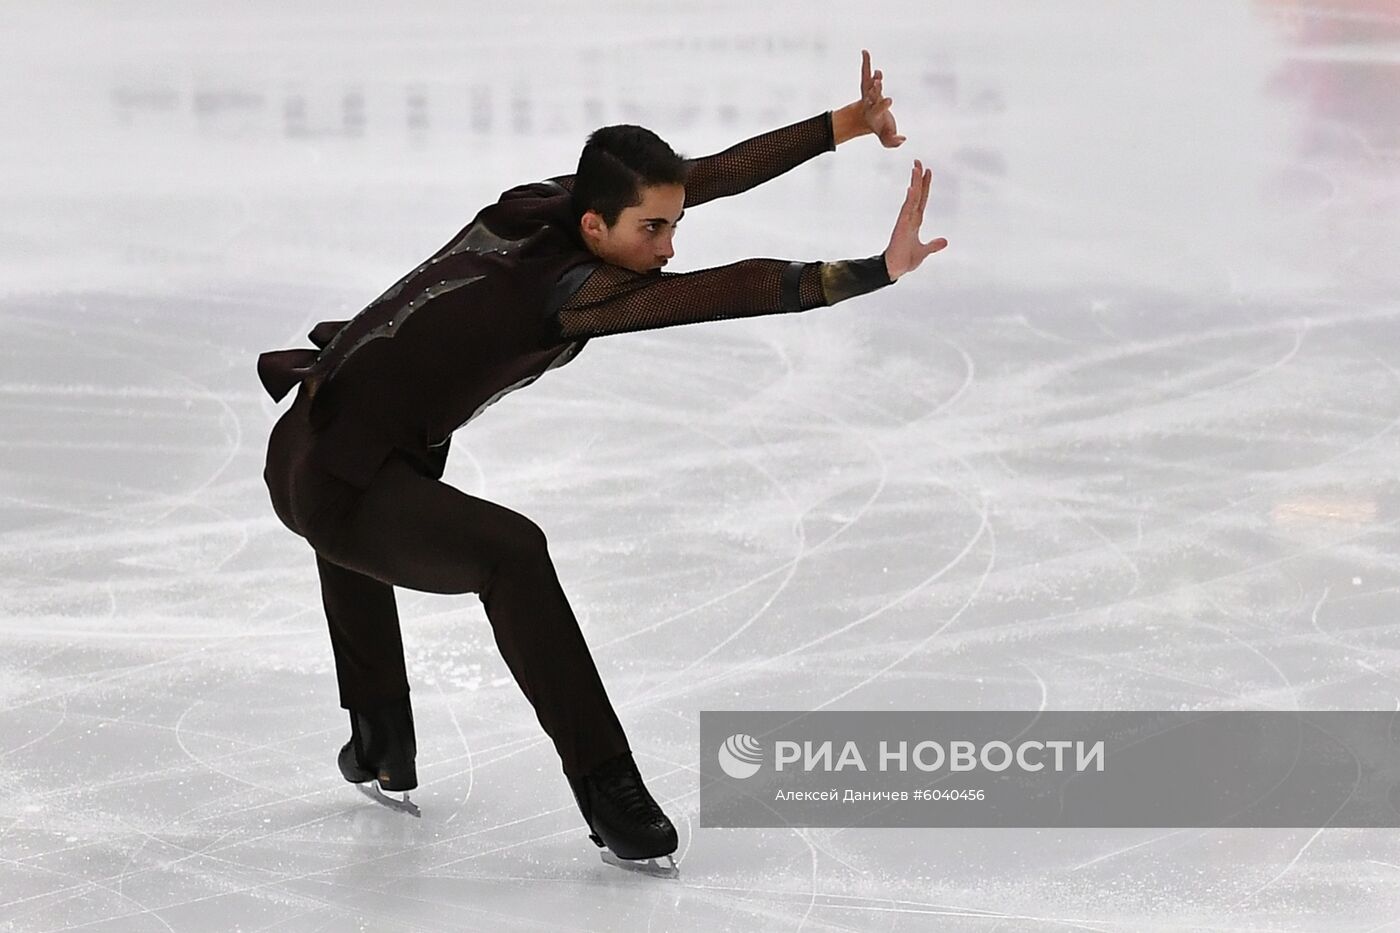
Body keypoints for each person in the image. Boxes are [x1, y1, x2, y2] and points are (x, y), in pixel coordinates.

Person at [257, 49, 946, 876]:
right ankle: (609, 791)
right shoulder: (583, 291)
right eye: (652, 230)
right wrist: (881, 270)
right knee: (511, 553)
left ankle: (378, 741)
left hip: (328, 422)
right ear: (597, 229)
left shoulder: (544, 202)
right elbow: (733, 288)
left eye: (673, 225)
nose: (667, 245)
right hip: (325, 476)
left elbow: (705, 175)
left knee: (393, 477)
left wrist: (846, 123)